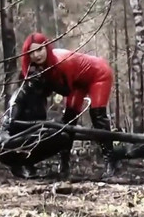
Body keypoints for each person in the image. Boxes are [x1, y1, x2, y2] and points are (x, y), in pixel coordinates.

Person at [20, 32, 118, 179]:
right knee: (69, 120)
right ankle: (64, 164)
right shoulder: (38, 66)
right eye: (31, 52)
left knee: (98, 116)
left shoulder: (61, 62)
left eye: (39, 49)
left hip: (98, 74)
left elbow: (65, 90)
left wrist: (46, 83)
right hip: (78, 82)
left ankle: (111, 162)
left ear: (46, 47)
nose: (36, 55)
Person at [0, 74, 72, 178]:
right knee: (44, 134)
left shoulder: (41, 99)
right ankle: (19, 164)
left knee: (62, 138)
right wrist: (38, 125)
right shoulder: (20, 95)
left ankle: (27, 163)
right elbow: (11, 123)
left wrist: (50, 124)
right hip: (10, 142)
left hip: (31, 138)